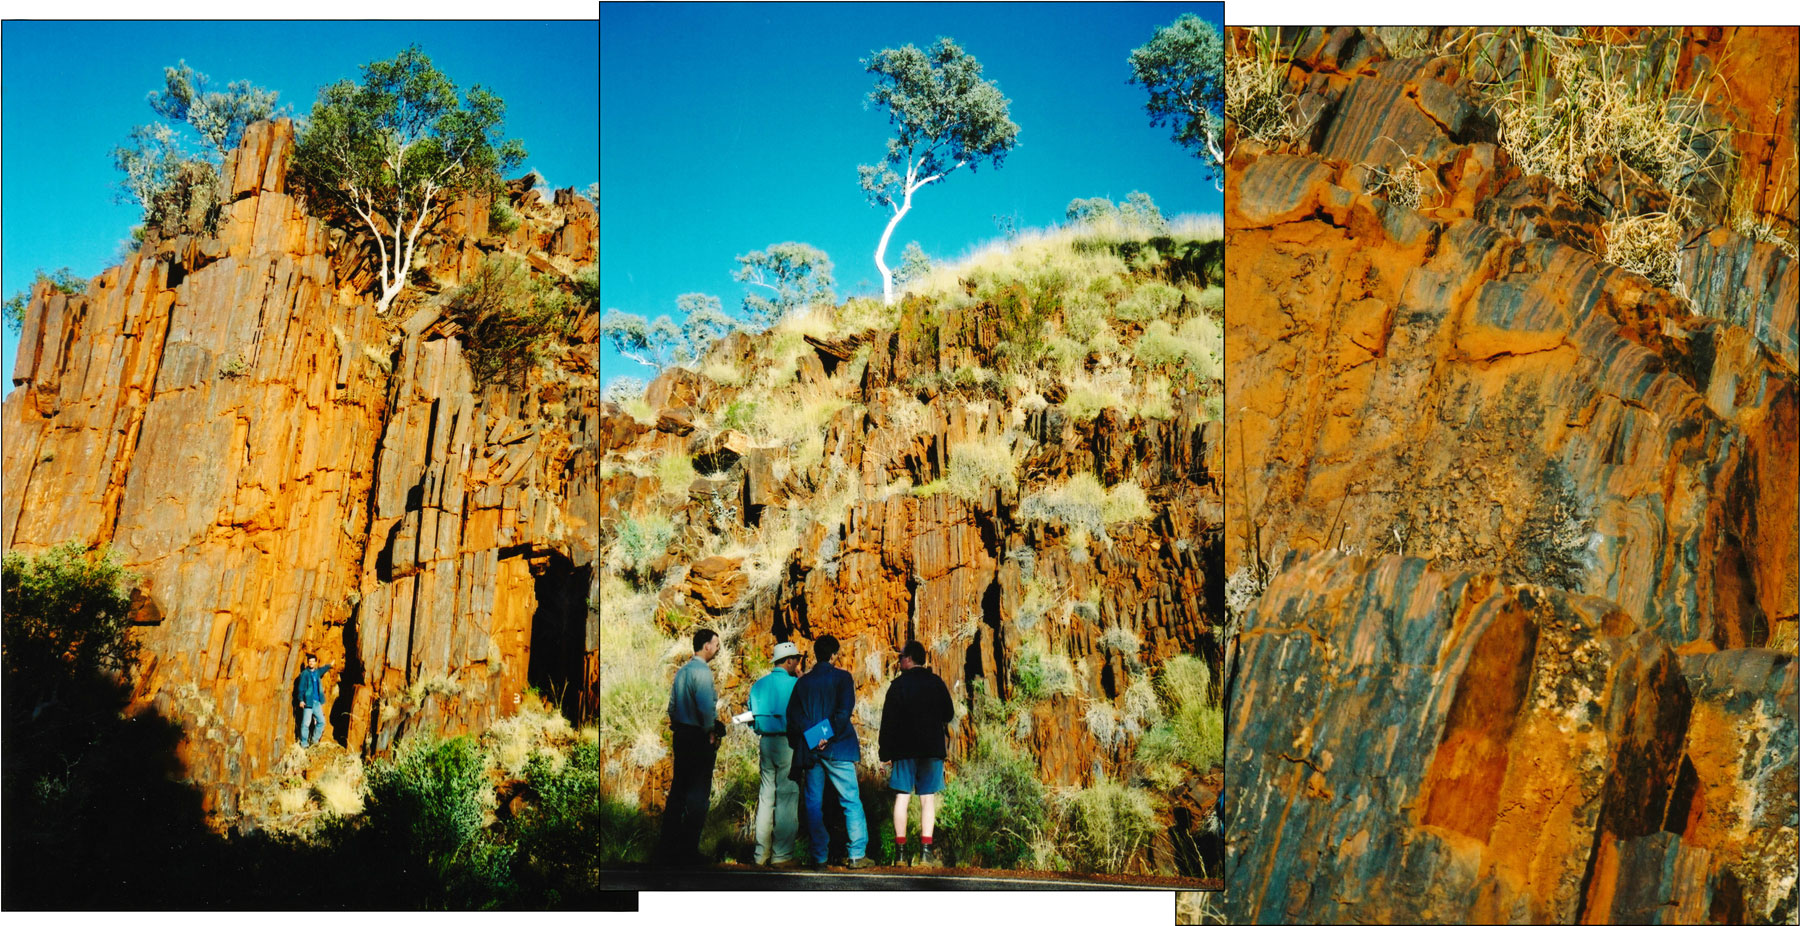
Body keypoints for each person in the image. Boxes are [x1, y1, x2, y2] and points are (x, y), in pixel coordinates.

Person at [785, 634, 871, 869]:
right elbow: (843, 712)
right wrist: (826, 735)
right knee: (850, 800)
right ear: (833, 655)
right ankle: (856, 854)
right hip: (838, 748)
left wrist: (814, 737)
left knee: (813, 803)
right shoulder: (843, 678)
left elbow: (793, 716)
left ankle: (819, 856)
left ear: (816, 655)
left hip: (811, 751)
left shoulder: (803, 682)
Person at [878, 640, 955, 866]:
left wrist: (885, 752)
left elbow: (888, 722)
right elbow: (948, 714)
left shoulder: (897, 686)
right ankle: (926, 853)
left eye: (901, 657)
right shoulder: (936, 683)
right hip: (931, 749)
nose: (899, 661)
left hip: (903, 750)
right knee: (927, 799)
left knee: (902, 797)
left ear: (909, 658)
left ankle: (900, 854)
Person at [658, 627, 726, 865]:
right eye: (716, 644)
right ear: (706, 645)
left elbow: (672, 707)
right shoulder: (703, 673)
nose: (717, 649)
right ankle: (688, 850)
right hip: (698, 737)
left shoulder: (682, 672)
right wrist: (709, 731)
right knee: (698, 795)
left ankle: (667, 849)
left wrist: (679, 726)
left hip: (681, 735)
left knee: (678, 791)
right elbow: (706, 707)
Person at [748, 640, 803, 867]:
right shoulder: (794, 685)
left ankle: (760, 854)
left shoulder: (758, 685)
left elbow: (751, 718)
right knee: (787, 797)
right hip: (787, 742)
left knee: (766, 796)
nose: (798, 663)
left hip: (765, 743)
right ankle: (782, 855)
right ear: (789, 661)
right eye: (796, 660)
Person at [296, 653, 334, 747]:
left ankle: (314, 741)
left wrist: (330, 665)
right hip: (308, 703)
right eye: (310, 661)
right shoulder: (304, 674)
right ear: (308, 663)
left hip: (317, 703)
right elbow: (301, 688)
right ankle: (304, 744)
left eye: (313, 661)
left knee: (321, 722)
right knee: (306, 724)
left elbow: (323, 669)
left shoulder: (317, 672)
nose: (311, 663)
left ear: (316, 662)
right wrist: (301, 700)